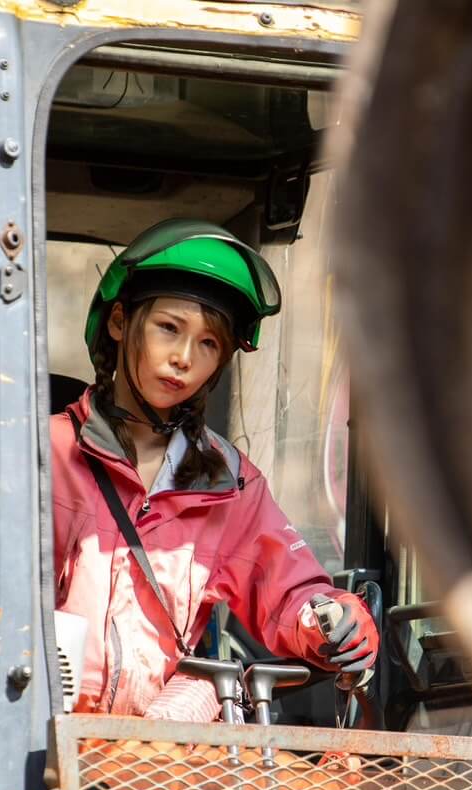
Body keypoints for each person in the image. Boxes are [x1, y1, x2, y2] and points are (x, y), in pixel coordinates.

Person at [51, 218, 378, 722]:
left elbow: (289, 590)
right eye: (168, 328)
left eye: (208, 344)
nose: (183, 358)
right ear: (119, 323)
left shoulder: (230, 482)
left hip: (157, 762)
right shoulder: (42, 452)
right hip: (41, 753)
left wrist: (330, 619)